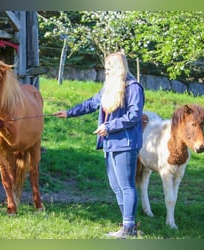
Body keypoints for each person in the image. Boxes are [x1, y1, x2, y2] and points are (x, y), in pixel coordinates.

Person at [54, 52, 145, 239]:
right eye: (106, 67)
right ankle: (127, 226)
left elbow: (134, 116)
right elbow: (91, 104)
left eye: (109, 66)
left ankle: (129, 228)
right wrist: (69, 113)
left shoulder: (133, 87)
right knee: (116, 186)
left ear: (119, 66)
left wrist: (108, 126)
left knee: (127, 186)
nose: (106, 70)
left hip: (126, 143)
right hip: (110, 142)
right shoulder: (109, 87)